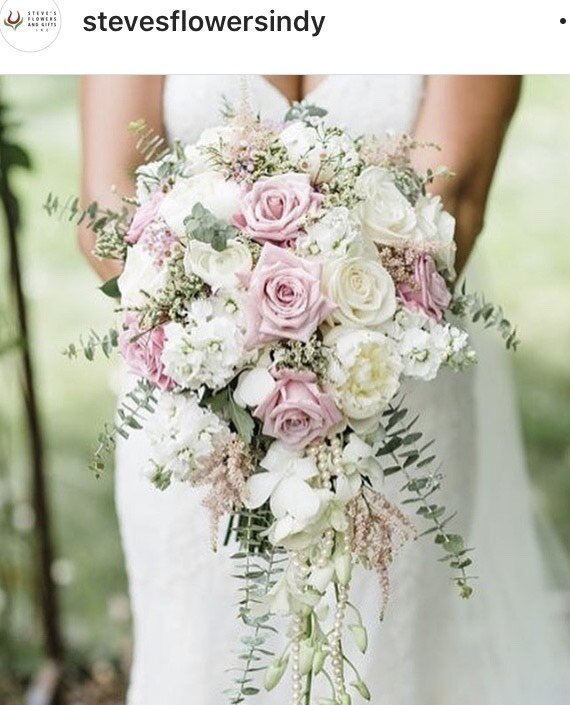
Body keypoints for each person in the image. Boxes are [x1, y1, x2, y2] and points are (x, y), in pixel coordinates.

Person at [79, 75, 568, 705]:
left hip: (388, 397)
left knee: (382, 668)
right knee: (198, 660)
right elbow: (105, 197)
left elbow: (458, 190)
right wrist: (217, 331)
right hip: (192, 412)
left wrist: (317, 342)